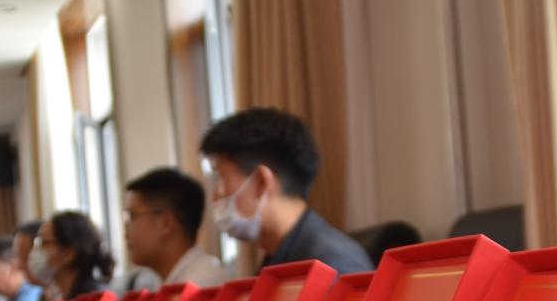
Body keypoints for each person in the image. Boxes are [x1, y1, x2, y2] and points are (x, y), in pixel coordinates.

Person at [200, 107, 374, 273]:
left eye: (220, 179)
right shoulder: (280, 255)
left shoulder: (332, 263)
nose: (214, 196)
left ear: (261, 182)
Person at [124, 167, 229, 288]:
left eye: (132, 216)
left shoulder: (200, 286)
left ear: (165, 223)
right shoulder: (170, 281)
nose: (126, 231)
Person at [30, 211, 115, 299]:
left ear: (68, 253)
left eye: (44, 242)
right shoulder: (61, 296)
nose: (36, 250)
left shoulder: (93, 299)